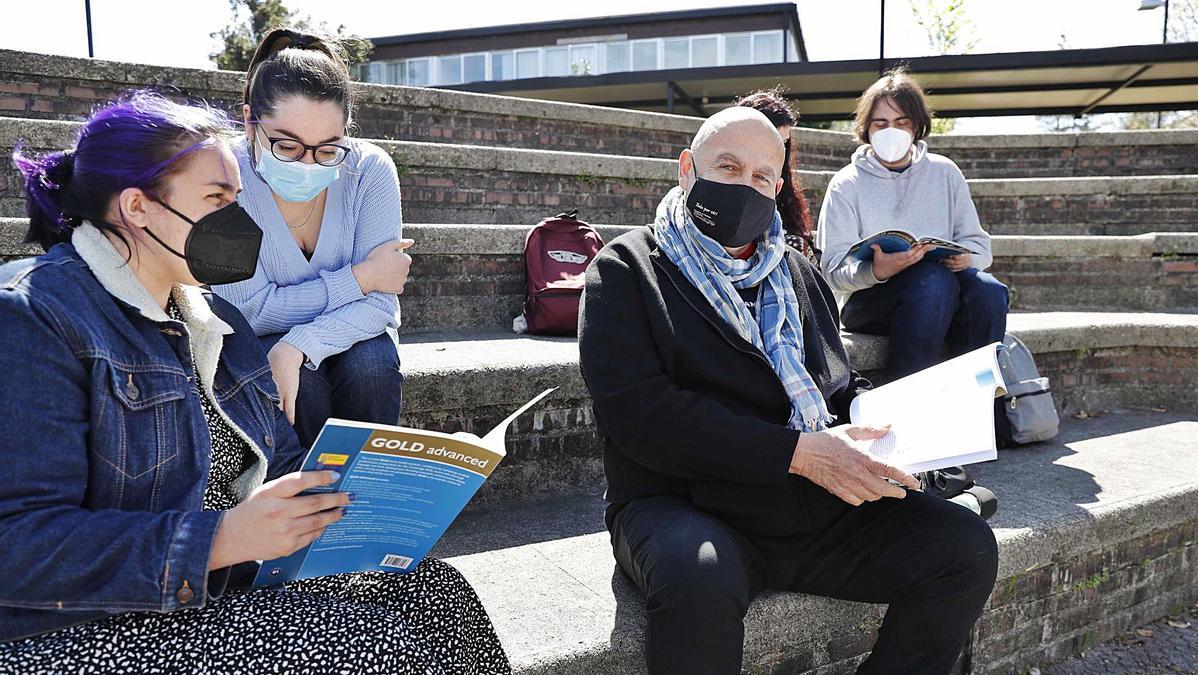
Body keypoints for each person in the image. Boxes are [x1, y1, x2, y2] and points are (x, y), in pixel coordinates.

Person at [0, 92, 509, 673]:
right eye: (217, 199)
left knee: (438, 594)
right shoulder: (34, 316)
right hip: (90, 630)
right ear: (137, 208)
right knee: (369, 642)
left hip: (225, 592)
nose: (238, 221)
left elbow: (283, 459)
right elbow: (17, 547)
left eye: (237, 199)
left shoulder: (221, 322)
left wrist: (358, 502)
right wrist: (223, 538)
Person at [578, 106, 998, 674]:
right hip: (683, 502)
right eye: (727, 167)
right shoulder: (626, 269)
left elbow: (836, 386)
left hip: (807, 505)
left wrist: (903, 423)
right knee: (697, 579)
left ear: (777, 188)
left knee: (964, 547)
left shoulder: (798, 275)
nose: (745, 187)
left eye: (760, 177)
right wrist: (797, 455)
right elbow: (642, 416)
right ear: (686, 169)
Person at [211, 28, 411, 448]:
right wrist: (359, 278)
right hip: (254, 338)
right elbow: (246, 311)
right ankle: (299, 505)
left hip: (351, 331)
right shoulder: (224, 173)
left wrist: (300, 342)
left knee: (372, 367)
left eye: (327, 149)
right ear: (250, 121)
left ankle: (368, 499)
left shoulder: (368, 169)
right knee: (304, 386)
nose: (308, 164)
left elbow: (379, 305)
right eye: (287, 147)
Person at [816, 69, 1009, 380]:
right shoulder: (846, 184)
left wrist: (967, 258)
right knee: (933, 280)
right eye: (880, 124)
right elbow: (832, 272)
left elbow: (980, 246)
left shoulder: (945, 173)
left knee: (988, 291)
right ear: (866, 128)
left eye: (901, 122)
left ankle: (986, 405)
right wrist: (877, 271)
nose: (890, 131)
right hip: (867, 303)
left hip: (940, 288)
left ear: (917, 126)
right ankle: (907, 406)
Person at [737, 89, 820, 266]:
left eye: (783, 143)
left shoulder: (781, 181)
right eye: (772, 141)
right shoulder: (726, 181)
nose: (777, 151)